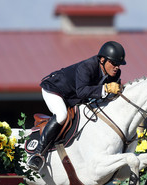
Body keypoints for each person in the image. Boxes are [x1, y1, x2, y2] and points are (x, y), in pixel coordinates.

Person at [27, 41, 126, 171]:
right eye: (113, 63)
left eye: (118, 64)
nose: (116, 67)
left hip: (74, 97)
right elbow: (82, 91)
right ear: (102, 60)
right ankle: (38, 154)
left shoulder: (115, 74)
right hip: (55, 90)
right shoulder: (87, 67)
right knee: (62, 115)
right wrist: (105, 88)